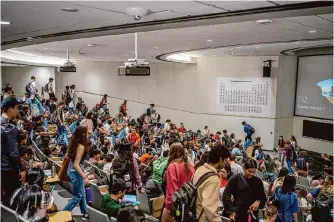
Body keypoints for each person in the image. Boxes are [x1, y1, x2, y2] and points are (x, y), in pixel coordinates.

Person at [192, 145, 230, 222]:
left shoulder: (200, 169)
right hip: (202, 218)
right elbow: (209, 208)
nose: (226, 162)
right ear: (220, 159)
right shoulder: (213, 179)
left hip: (193, 213)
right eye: (226, 159)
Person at [1, 97, 26, 206]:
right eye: (17, 107)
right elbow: (13, 153)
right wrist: (22, 168)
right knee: (14, 200)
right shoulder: (9, 127)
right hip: (8, 170)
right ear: (10, 109)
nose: (18, 110)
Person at [161, 143, 195, 222]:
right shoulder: (190, 165)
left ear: (171, 152)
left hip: (176, 205)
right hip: (189, 205)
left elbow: (171, 189)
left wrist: (169, 207)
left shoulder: (172, 166)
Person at [63, 126, 90, 220]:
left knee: (82, 193)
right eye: (86, 133)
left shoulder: (72, 142)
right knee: (77, 196)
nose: (88, 135)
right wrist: (84, 177)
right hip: (76, 172)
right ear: (83, 135)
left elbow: (66, 156)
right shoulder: (81, 147)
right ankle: (63, 215)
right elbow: (76, 164)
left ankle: (85, 213)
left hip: (71, 170)